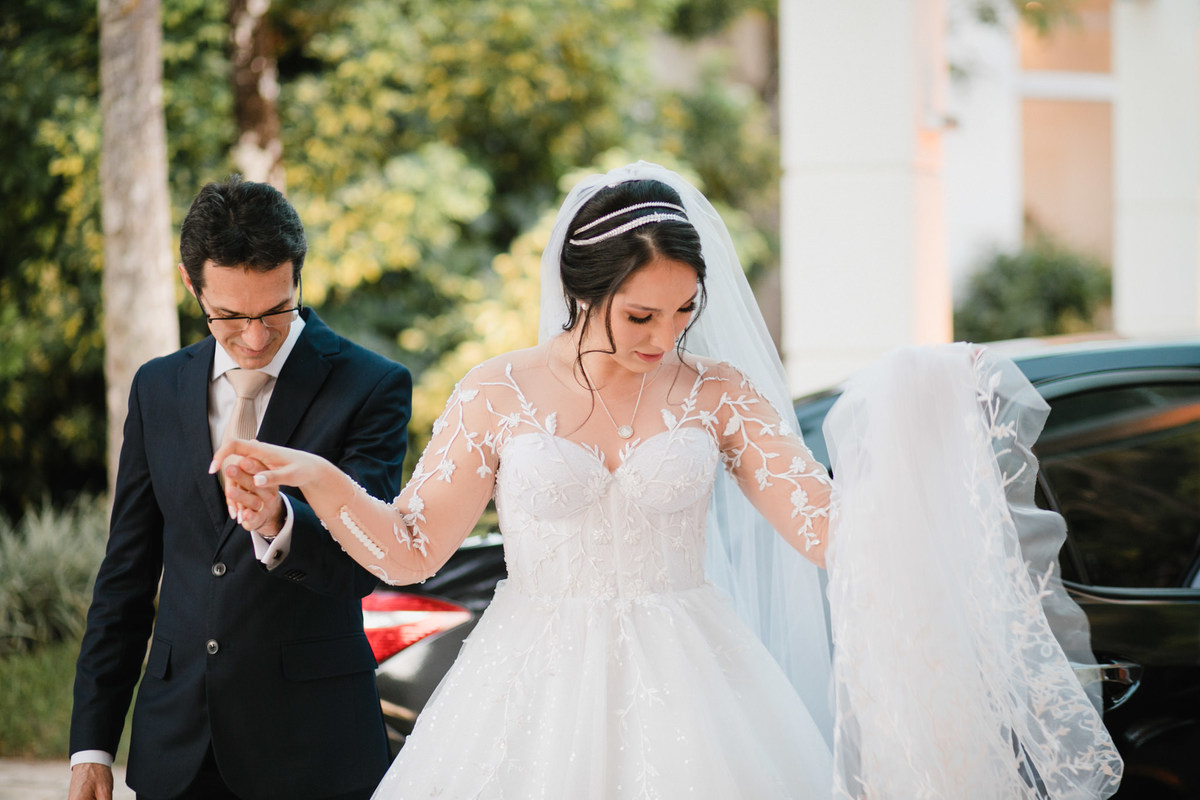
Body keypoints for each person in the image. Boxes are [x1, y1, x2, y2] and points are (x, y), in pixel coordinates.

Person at [211, 163, 1123, 799]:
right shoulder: (498, 390)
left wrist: (916, 426)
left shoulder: (717, 395)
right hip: (529, 695)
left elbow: (825, 530)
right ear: (583, 291)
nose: (663, 337)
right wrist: (321, 484)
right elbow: (411, 552)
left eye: (685, 313)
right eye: (641, 313)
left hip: (702, 693)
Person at [69, 176, 412, 800]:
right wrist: (90, 745)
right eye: (229, 316)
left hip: (315, 748)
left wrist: (281, 521)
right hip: (176, 748)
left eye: (275, 312)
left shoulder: (373, 386)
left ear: (297, 279)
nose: (254, 338)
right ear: (190, 283)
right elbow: (126, 573)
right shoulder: (156, 388)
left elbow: (369, 561)